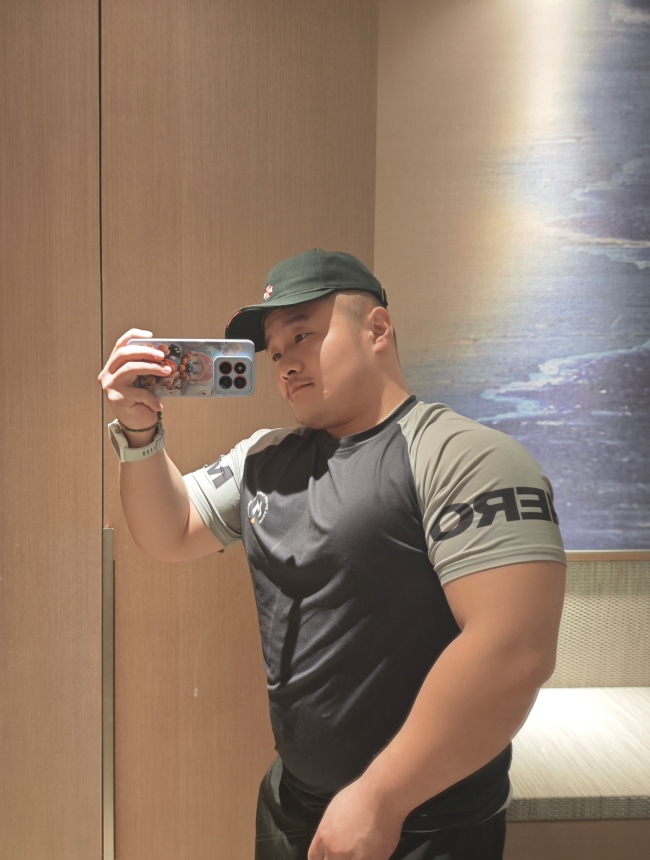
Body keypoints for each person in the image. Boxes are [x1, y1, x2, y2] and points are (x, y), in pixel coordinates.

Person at [99, 248, 566, 860]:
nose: (286, 363)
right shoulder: (264, 458)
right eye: (274, 352)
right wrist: (140, 433)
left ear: (377, 329)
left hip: (426, 819)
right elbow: (171, 529)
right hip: (292, 804)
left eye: (302, 335)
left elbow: (514, 650)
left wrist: (381, 798)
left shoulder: (466, 457)